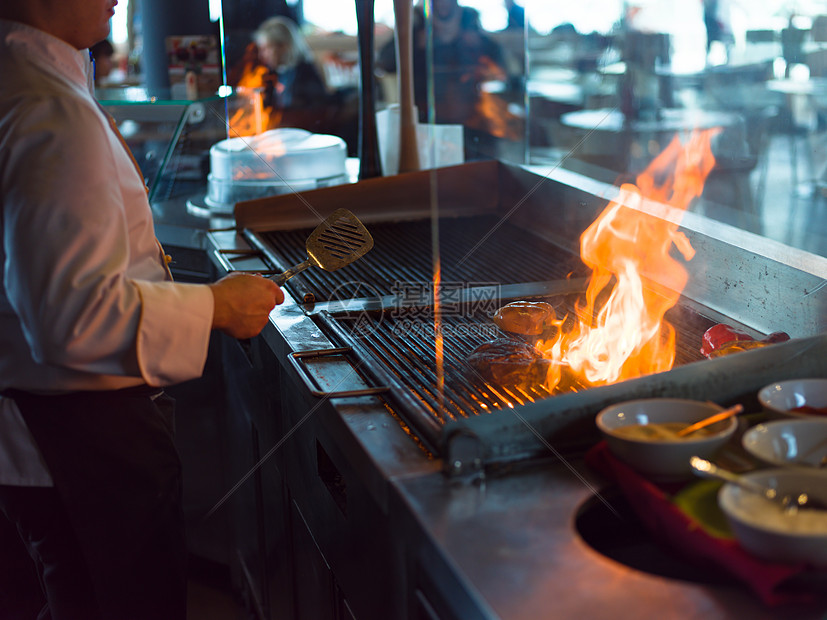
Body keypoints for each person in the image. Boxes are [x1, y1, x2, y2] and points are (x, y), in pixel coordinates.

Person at [0, 1, 283, 618]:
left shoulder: (26, 78)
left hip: (47, 430)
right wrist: (214, 306)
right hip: (82, 436)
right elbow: (70, 318)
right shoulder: (49, 111)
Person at [377, 0, 511, 138]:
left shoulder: (468, 18)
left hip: (469, 110)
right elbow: (386, 62)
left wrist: (477, 42)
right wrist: (414, 42)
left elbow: (498, 58)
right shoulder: (417, 20)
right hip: (426, 111)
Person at [229, 16, 331, 132]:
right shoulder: (274, 74)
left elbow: (313, 115)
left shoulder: (306, 75)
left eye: (266, 48)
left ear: (283, 46)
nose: (262, 55)